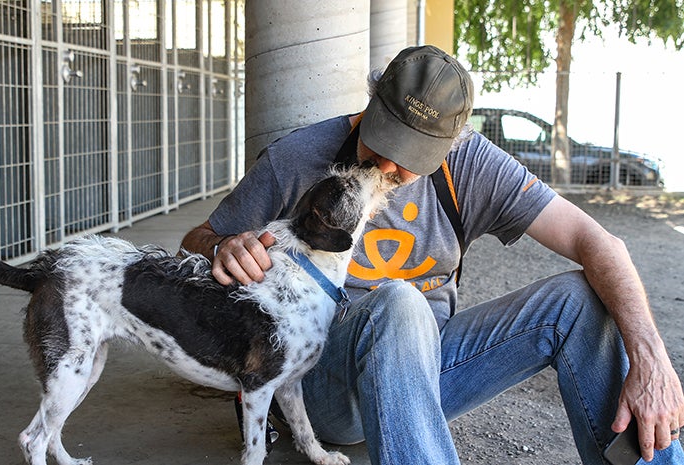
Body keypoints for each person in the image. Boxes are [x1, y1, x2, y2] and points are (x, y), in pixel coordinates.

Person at [180, 45, 684, 464]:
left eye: (411, 157)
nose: (387, 165)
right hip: (324, 384)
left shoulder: (474, 166)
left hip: (427, 368)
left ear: (451, 146)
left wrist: (653, 360)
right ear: (372, 102)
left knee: (578, 298)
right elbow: (197, 238)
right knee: (397, 301)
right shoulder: (296, 157)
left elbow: (597, 243)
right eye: (381, 142)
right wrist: (223, 246)